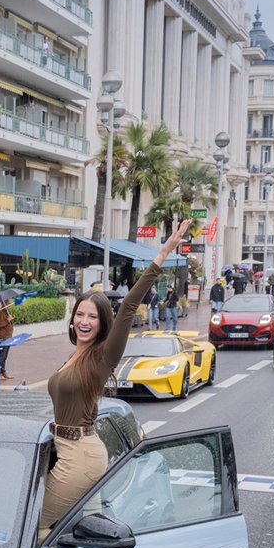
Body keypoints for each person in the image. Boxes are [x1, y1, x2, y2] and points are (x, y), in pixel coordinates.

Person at [40, 221, 191, 530]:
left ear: (103, 323)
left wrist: (163, 252)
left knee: (37, 528)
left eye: (92, 317)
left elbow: (129, 305)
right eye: (80, 314)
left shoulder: (103, 357)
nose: (84, 321)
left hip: (79, 456)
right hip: (68, 450)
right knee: (86, 532)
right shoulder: (74, 357)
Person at [0, 302, 15, 380]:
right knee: (1, 356)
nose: (9, 304)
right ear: (3, 304)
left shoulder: (6, 312)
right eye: (7, 303)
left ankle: (3, 371)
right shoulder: (0, 313)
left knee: (5, 357)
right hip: (2, 338)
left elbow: (9, 324)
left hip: (8, 337)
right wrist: (7, 320)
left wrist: (11, 319)